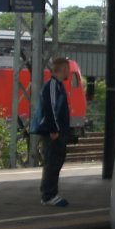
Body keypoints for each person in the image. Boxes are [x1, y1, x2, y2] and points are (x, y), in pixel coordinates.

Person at [35, 57, 72, 207]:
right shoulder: (52, 86)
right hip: (53, 132)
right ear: (63, 69)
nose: (69, 72)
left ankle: (51, 193)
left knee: (56, 162)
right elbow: (50, 108)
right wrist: (53, 129)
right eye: (67, 69)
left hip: (58, 131)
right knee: (52, 162)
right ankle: (49, 195)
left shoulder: (58, 86)